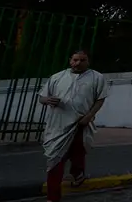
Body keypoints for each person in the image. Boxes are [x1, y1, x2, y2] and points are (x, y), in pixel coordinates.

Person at [39, 50, 108, 202]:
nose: (78, 63)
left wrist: (89, 116)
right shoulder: (57, 77)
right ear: (70, 60)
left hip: (80, 123)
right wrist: (47, 100)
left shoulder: (97, 77)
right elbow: (42, 97)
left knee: (78, 151)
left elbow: (100, 99)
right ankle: (53, 197)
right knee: (54, 159)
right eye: (75, 60)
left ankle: (78, 173)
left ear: (88, 61)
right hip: (57, 125)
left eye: (82, 60)